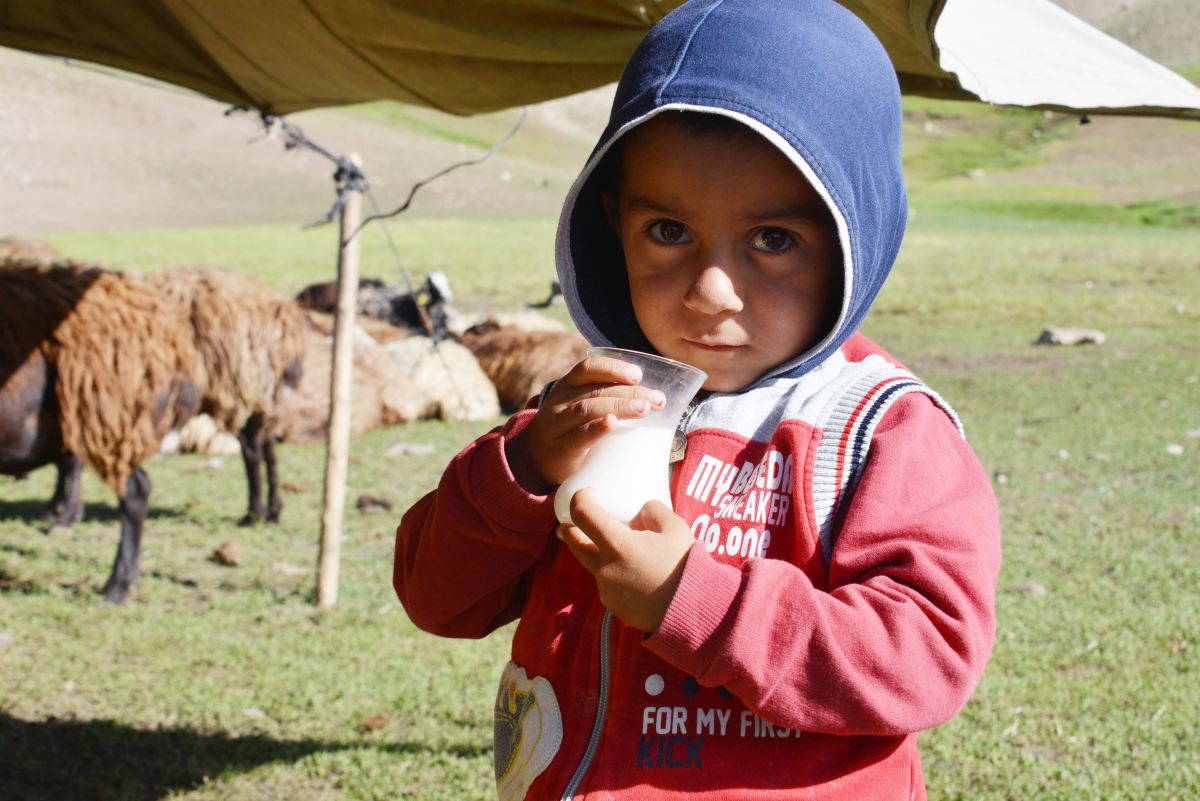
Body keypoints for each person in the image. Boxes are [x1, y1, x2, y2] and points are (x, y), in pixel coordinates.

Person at [394, 0, 1001, 798]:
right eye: (668, 231)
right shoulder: (590, 407)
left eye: (773, 240)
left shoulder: (876, 430)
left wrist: (695, 600)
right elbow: (436, 597)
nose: (711, 292)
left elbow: (927, 656)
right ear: (615, 220)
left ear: (855, 236)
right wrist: (525, 466)